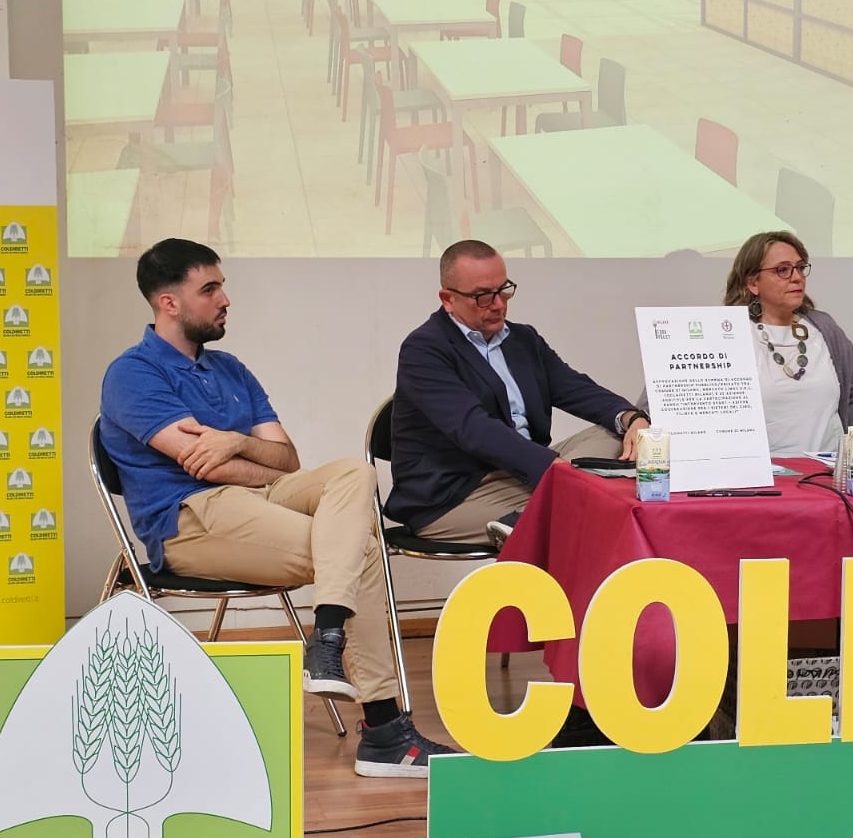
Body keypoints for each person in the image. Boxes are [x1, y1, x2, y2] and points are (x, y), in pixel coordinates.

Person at [100, 238, 450, 779]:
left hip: (257, 504)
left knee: (354, 473)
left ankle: (328, 637)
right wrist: (238, 457)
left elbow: (287, 460)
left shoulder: (230, 369)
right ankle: (382, 728)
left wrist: (235, 443)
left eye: (222, 286)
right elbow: (205, 470)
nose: (225, 300)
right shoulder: (133, 373)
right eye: (210, 289)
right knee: (360, 551)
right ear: (169, 303)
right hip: (190, 518)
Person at [388, 239, 648, 544]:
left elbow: (576, 388)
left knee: (615, 433)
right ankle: (552, 507)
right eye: (483, 296)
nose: (499, 304)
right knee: (592, 508)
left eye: (504, 290)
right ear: (448, 299)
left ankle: (535, 513)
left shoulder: (523, 339)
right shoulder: (424, 350)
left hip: (521, 475)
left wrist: (632, 418)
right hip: (454, 494)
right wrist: (553, 468)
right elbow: (474, 429)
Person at [724, 231, 853, 455]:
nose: (797, 277)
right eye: (783, 270)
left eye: (800, 267)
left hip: (825, 472)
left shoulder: (825, 327)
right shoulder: (732, 334)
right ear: (753, 283)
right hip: (761, 473)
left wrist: (850, 452)